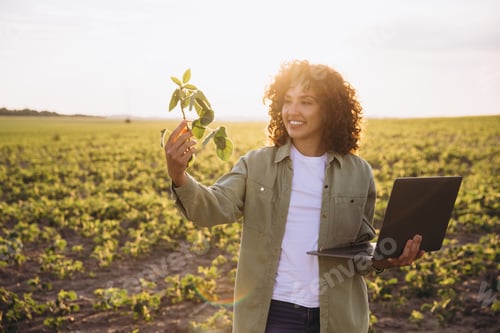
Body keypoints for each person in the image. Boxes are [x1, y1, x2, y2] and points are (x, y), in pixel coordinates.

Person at [164, 59, 425, 333]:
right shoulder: (256, 164)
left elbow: (358, 253)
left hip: (337, 318)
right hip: (273, 316)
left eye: (306, 101)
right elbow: (213, 209)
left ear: (330, 110)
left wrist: (387, 257)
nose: (293, 111)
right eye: (287, 101)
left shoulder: (358, 172)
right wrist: (179, 175)